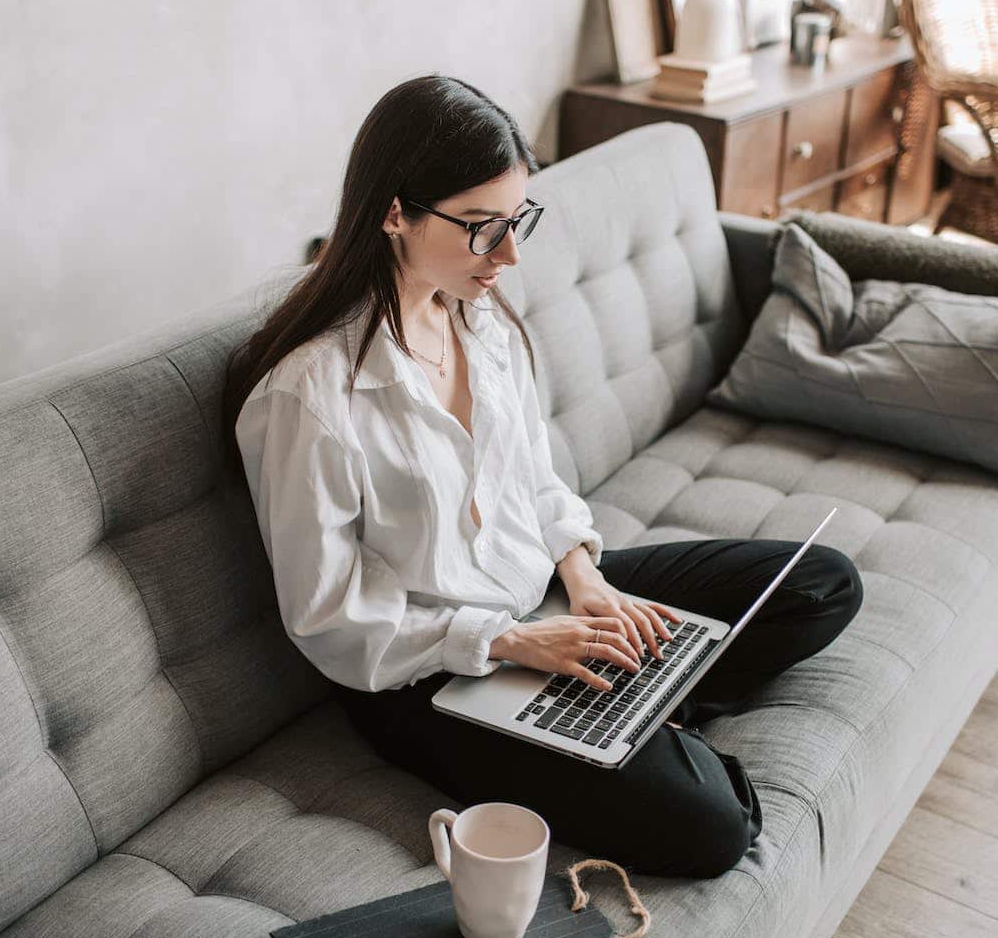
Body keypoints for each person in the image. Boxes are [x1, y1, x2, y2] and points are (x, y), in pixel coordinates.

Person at [221, 75, 863, 879]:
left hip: (543, 599)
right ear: (395, 213)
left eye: (517, 220)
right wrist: (514, 643)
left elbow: (535, 478)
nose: (511, 254)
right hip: (431, 673)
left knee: (822, 584)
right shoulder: (308, 396)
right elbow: (329, 619)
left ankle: (628, 704)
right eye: (485, 228)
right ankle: (631, 714)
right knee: (713, 829)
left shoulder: (476, 317)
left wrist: (586, 578)